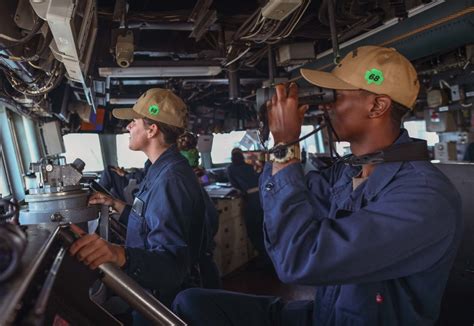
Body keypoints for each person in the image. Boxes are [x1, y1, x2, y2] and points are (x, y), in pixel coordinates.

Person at [172, 46, 463, 325]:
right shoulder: (347, 173)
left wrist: (286, 146)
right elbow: (279, 196)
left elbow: (298, 259)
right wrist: (279, 148)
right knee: (193, 304)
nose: (325, 104)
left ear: (377, 105)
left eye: (334, 94)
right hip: (326, 315)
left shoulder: (424, 197)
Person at [68, 88, 209, 325]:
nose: (128, 128)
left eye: (133, 122)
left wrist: (118, 254)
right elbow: (148, 220)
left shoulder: (170, 179)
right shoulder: (158, 169)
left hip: (164, 301)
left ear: (152, 130)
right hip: (151, 291)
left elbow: (171, 266)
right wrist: (115, 204)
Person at [226, 148, 266, 258]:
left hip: (250, 200)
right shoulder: (249, 167)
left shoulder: (230, 169)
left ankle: (262, 256)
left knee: (253, 230)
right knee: (262, 227)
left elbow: (236, 187)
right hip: (261, 197)